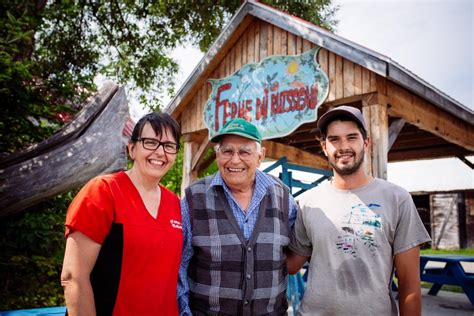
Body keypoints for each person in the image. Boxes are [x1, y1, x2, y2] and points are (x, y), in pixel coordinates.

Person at [287, 105, 431, 316]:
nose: (343, 146)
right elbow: (291, 265)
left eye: (351, 137)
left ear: (366, 143)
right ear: (324, 146)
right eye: (334, 139)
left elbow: (409, 287)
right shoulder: (308, 202)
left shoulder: (397, 199)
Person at [61, 112, 183, 315]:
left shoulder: (176, 204)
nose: (160, 152)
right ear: (132, 149)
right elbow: (74, 277)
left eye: (169, 146)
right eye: (150, 142)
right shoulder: (103, 191)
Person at [178, 118, 299, 315]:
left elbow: (298, 251)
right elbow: (179, 267)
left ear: (260, 156)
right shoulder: (193, 199)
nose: (235, 160)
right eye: (227, 151)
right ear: (217, 155)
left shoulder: (284, 198)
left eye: (244, 152)